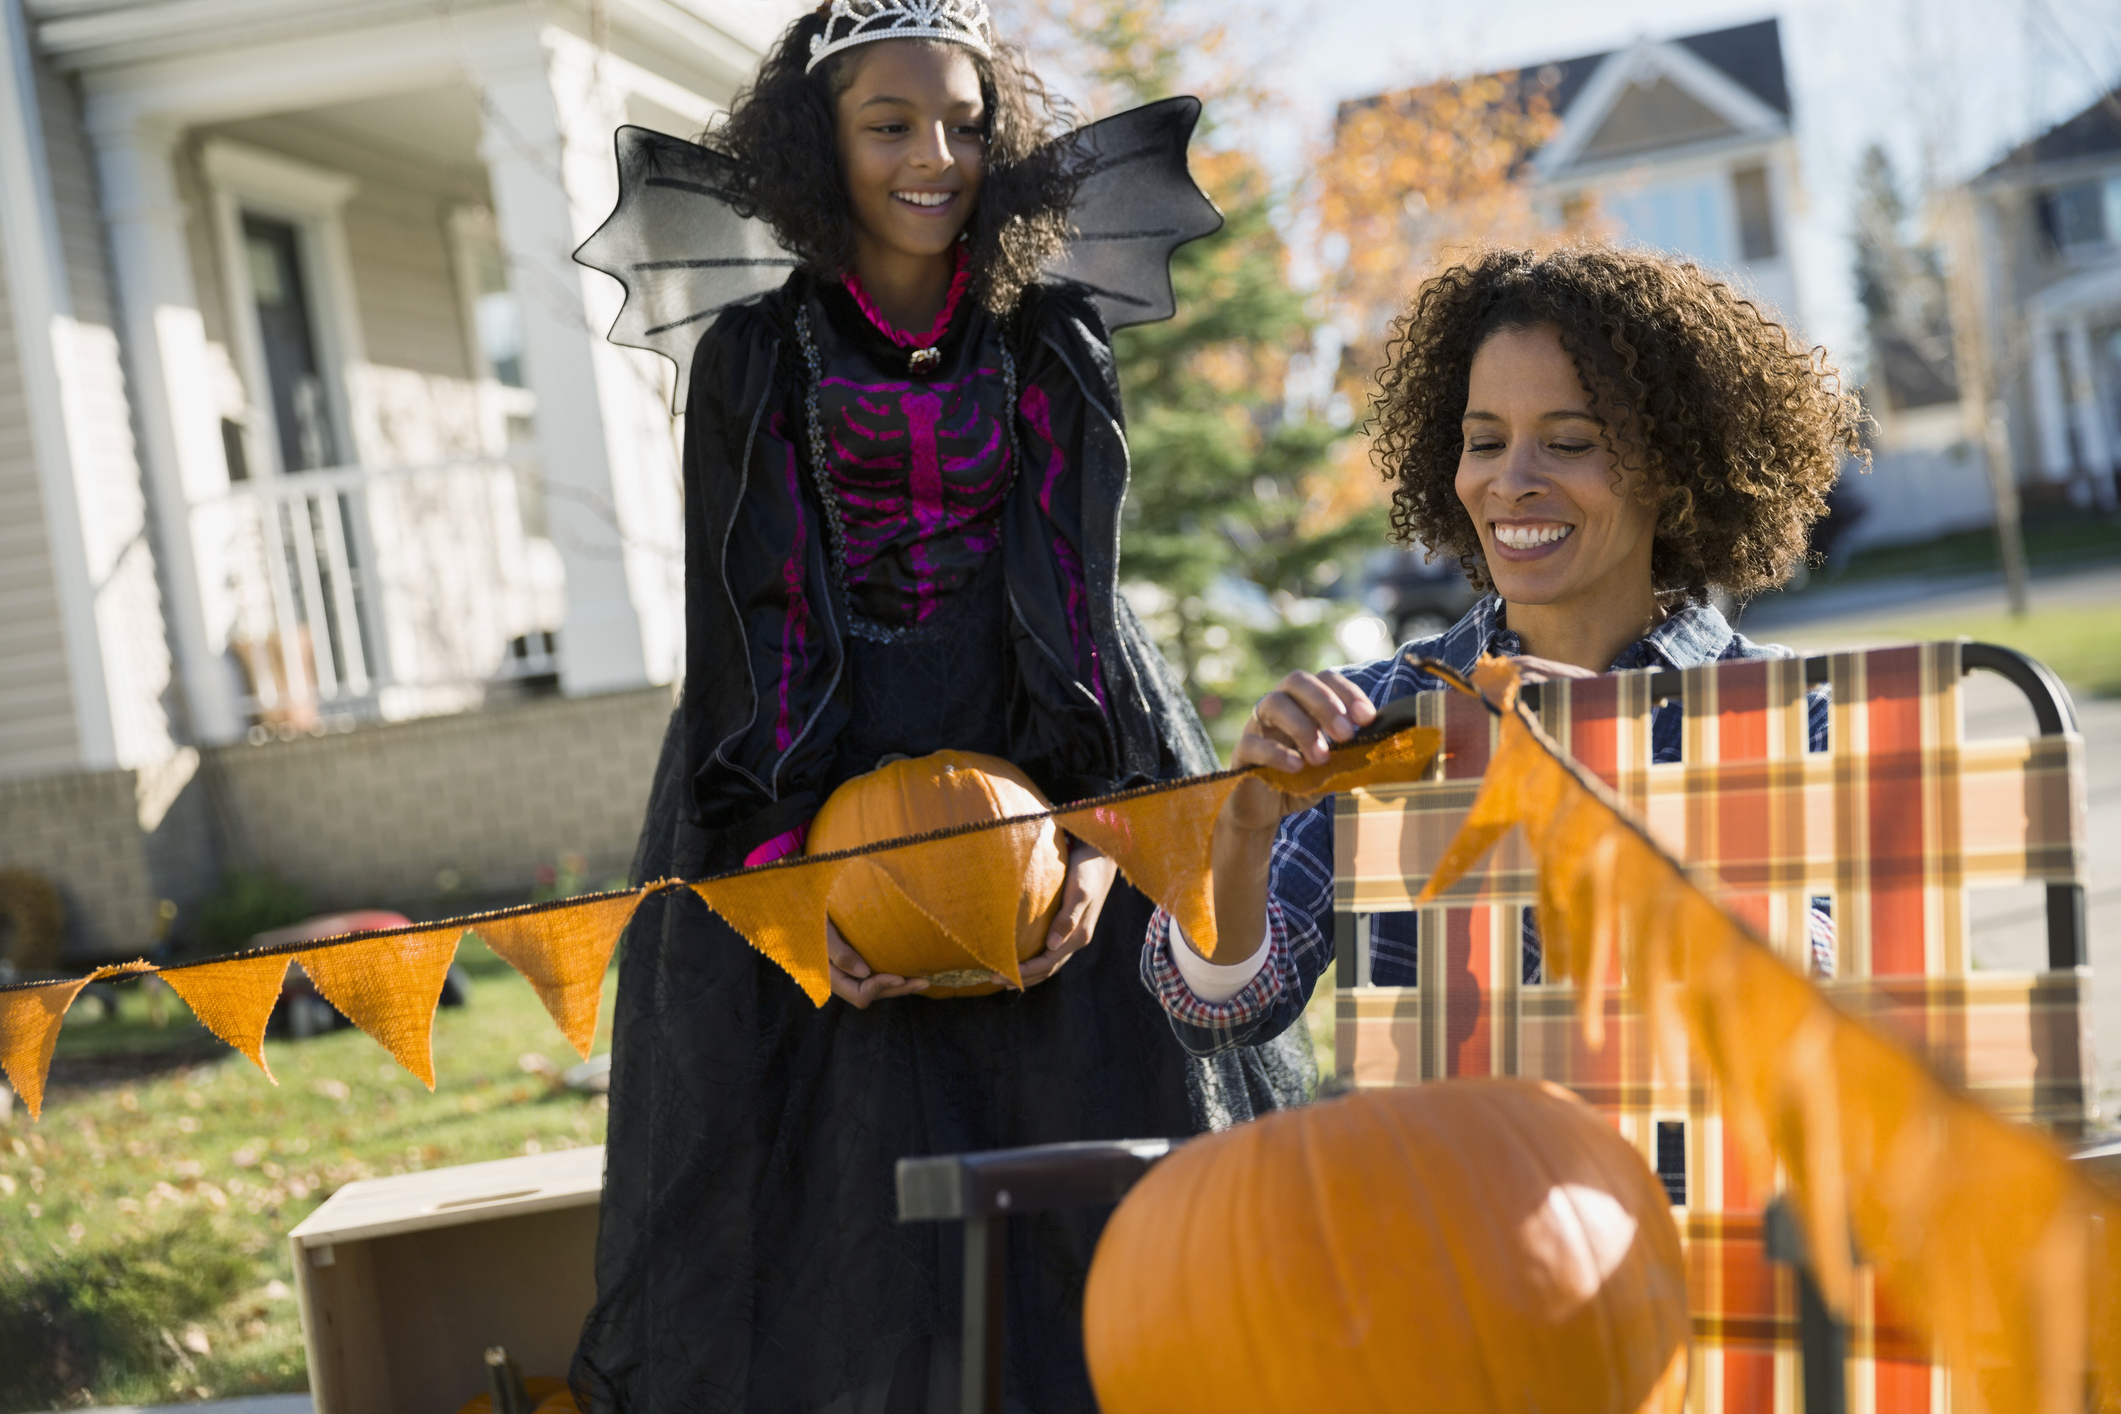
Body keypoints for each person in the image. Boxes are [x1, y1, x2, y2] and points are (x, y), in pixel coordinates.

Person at [572, 6, 1312, 1411]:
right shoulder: (755, 354)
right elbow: (754, 614)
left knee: (1109, 1121)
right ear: (818, 148)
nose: (937, 156)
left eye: (968, 122)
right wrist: (792, 890)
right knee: (851, 1202)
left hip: (1056, 739)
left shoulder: (1049, 333)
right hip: (808, 758)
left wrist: (1103, 839)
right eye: (891, 125)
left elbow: (1076, 600)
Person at [1141, 245, 1863, 1054]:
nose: (1510, 480)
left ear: (1673, 468)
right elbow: (1221, 1007)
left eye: (1568, 442)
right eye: (1484, 442)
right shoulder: (1381, 716)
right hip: (1428, 1175)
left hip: (1676, 1180)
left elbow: (1822, 1002)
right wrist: (1239, 831)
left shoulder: (1782, 713)